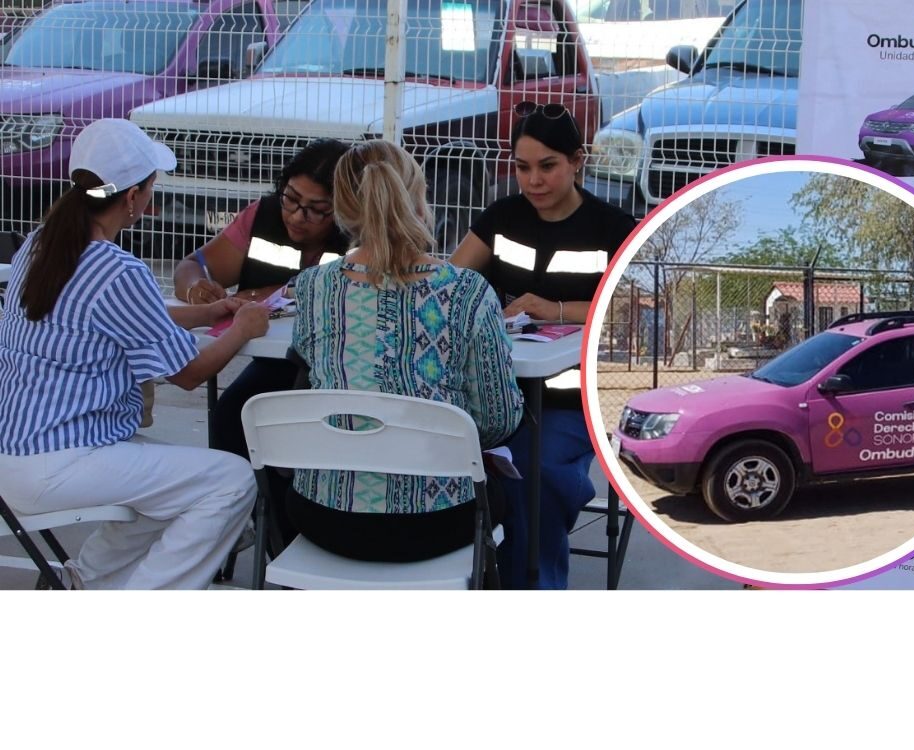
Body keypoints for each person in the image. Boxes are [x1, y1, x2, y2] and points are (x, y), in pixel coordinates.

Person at [0, 119, 271, 589]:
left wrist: (208, 314)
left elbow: (127, 316)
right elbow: (189, 374)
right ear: (131, 197)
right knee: (230, 481)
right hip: (62, 460)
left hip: (18, 452)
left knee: (173, 487)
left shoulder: (42, 243)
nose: (151, 197)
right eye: (150, 187)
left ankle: (84, 582)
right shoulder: (118, 269)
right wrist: (242, 328)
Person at [287, 140, 524, 562]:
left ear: (342, 209)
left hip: (324, 517)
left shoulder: (312, 288)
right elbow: (497, 420)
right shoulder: (468, 292)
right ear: (418, 197)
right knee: (509, 495)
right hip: (436, 521)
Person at [451, 101, 637, 588]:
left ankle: (529, 584)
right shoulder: (501, 216)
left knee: (534, 473)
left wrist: (555, 309)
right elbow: (450, 285)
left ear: (578, 161)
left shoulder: (613, 228)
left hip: (572, 401)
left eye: (547, 166)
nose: (533, 181)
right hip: (497, 391)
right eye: (522, 167)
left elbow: (632, 309)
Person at [172, 139, 351, 538]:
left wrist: (263, 294)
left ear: (344, 209)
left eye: (317, 209)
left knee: (295, 437)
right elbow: (193, 264)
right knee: (232, 416)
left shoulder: (359, 236)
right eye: (291, 198)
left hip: (338, 370)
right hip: (277, 363)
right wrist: (197, 288)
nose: (298, 216)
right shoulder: (261, 216)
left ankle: (285, 536)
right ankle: (255, 528)